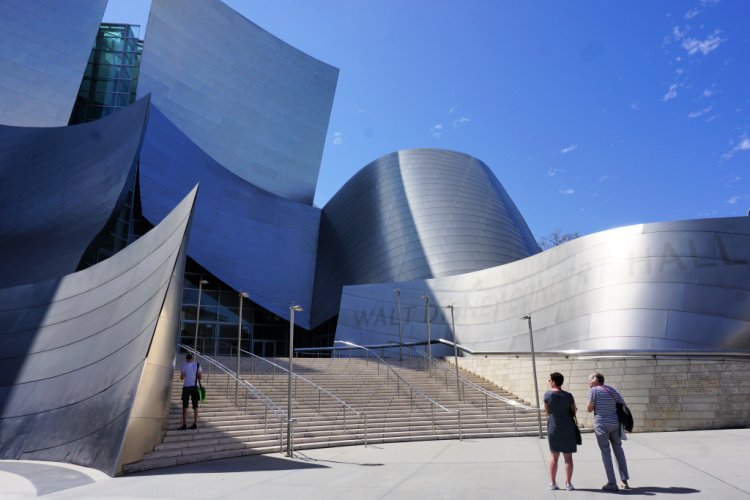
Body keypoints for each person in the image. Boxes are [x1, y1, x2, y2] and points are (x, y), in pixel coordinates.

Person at [588, 371, 630, 491]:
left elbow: (589, 409)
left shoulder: (593, 391)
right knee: (619, 450)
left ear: (595, 380)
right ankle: (624, 480)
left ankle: (612, 483)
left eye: (590, 380)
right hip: (615, 424)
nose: (589, 383)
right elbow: (623, 405)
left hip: (601, 425)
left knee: (606, 452)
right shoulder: (613, 390)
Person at [543, 372, 577, 491]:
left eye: (550, 380)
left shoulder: (548, 395)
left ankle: (552, 483)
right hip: (568, 427)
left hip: (553, 426)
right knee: (568, 457)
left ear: (553, 381)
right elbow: (574, 410)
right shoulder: (568, 395)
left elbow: (546, 412)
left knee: (554, 455)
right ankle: (568, 484)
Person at [180, 353, 203, 430]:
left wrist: (186, 374)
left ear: (186, 359)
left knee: (185, 406)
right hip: (194, 387)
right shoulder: (197, 365)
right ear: (192, 359)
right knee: (195, 406)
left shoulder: (184, 365)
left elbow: (182, 378)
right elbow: (200, 377)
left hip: (186, 387)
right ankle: (195, 424)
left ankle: (184, 425)